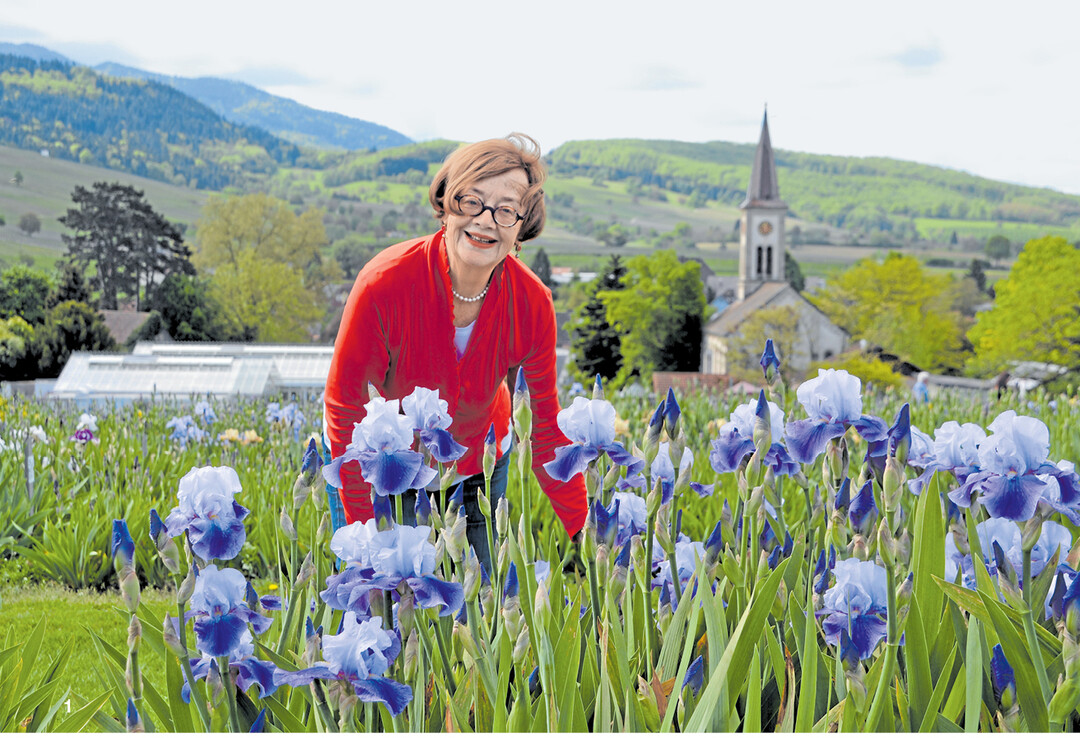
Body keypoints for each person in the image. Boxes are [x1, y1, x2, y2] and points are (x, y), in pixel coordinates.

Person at [322, 134, 587, 569]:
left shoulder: (531, 303)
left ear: (521, 227)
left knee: (484, 602)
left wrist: (588, 530)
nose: (485, 221)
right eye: (471, 201)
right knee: (383, 596)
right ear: (446, 203)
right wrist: (366, 539)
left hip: (479, 465)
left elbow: (542, 426)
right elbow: (346, 408)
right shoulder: (384, 284)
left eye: (506, 210)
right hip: (384, 464)